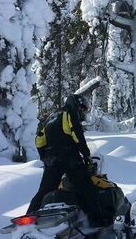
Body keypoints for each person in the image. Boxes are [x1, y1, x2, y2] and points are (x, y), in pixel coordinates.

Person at [27, 94, 101, 222]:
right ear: (76, 105)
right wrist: (86, 154)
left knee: (45, 190)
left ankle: (29, 219)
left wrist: (45, 157)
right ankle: (97, 219)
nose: (83, 112)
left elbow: (39, 140)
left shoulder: (51, 117)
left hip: (51, 159)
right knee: (86, 186)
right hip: (69, 156)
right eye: (82, 108)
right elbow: (76, 133)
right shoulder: (69, 113)